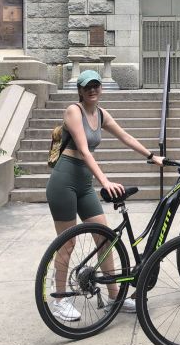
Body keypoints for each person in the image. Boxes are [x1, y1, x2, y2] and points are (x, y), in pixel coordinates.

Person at [47, 69, 164, 321]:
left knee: (105, 239)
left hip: (84, 184)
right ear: (79, 90)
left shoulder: (100, 114)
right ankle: (59, 300)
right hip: (64, 181)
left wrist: (151, 157)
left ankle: (115, 297)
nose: (92, 90)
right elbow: (84, 151)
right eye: (87, 86)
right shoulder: (73, 111)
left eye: (96, 85)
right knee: (67, 244)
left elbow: (125, 136)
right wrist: (105, 180)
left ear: (101, 88)